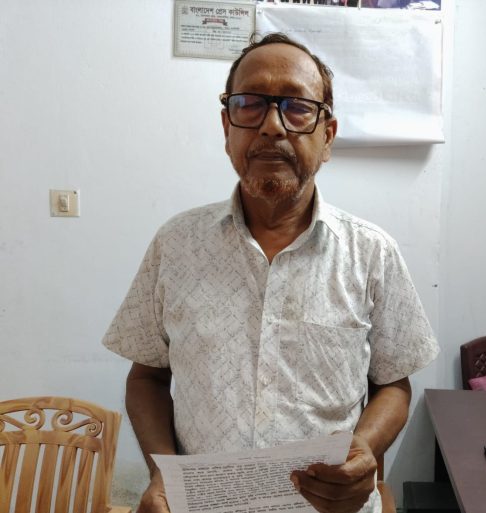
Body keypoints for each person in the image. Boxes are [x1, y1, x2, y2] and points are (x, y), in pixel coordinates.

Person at [103, 33, 438, 513]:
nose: (271, 126)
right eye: (250, 104)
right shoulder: (175, 245)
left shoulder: (371, 253)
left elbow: (393, 383)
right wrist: (161, 473)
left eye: (297, 108)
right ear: (227, 127)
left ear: (328, 136)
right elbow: (147, 378)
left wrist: (366, 448)